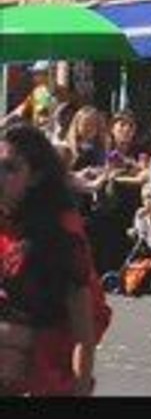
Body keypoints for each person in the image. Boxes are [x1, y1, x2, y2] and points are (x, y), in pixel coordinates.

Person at [0, 124, 111, 396]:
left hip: (50, 354)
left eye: (10, 168)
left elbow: (82, 334)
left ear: (35, 176)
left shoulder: (61, 236)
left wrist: (80, 388)